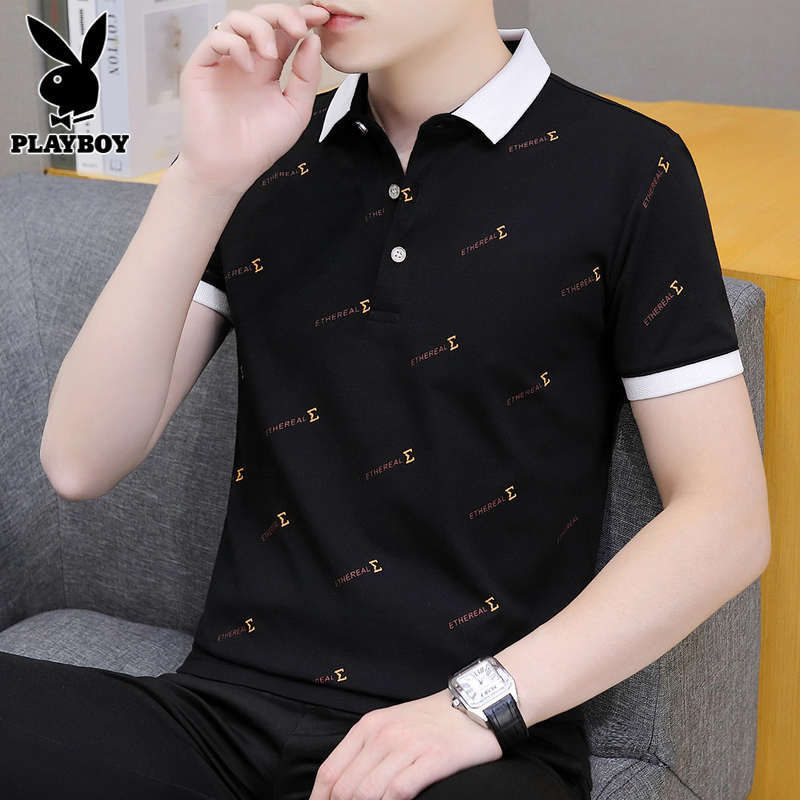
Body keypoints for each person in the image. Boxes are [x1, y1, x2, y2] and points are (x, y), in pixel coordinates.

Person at [12, 1, 768, 799]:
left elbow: (725, 518)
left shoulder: (627, 165)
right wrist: (201, 177)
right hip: (220, 716)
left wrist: (475, 707)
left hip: (473, 751)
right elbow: (80, 462)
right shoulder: (267, 150)